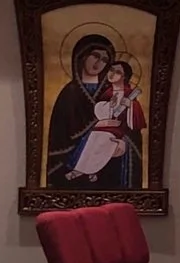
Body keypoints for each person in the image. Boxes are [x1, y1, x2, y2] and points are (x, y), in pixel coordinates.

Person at [46, 34, 115, 184]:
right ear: (82, 56)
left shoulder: (111, 93)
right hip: (70, 160)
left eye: (104, 60)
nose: (98, 63)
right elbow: (59, 135)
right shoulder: (69, 93)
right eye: (95, 56)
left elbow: (128, 129)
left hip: (105, 162)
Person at [68, 58, 145, 185]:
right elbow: (100, 113)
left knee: (104, 139)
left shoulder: (129, 94)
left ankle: (90, 170)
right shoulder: (106, 93)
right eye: (111, 70)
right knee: (93, 137)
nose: (112, 73)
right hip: (104, 127)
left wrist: (130, 105)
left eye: (117, 72)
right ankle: (85, 170)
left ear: (124, 76)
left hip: (119, 130)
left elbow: (135, 123)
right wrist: (110, 105)